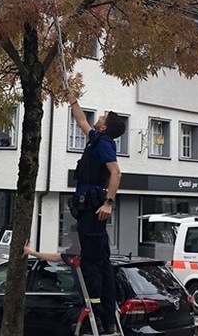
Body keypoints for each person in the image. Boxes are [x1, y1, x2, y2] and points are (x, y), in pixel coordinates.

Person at [64, 90, 125, 336]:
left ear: (106, 125)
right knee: (102, 262)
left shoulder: (104, 145)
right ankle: (107, 318)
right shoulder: (95, 139)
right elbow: (81, 121)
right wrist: (72, 100)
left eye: (102, 117)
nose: (98, 118)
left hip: (93, 209)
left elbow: (116, 173)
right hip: (89, 210)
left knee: (92, 264)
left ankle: (99, 317)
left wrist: (108, 202)